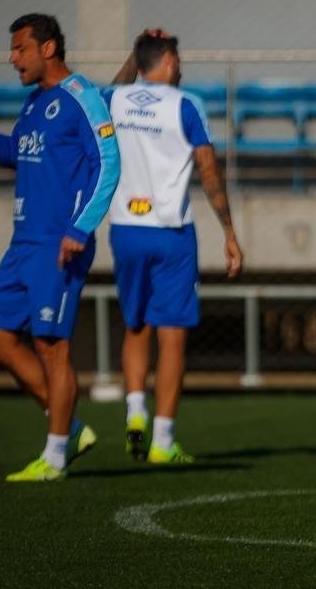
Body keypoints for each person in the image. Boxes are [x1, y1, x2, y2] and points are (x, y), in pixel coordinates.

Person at [0, 13, 120, 481]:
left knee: (51, 348)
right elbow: (12, 154)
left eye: (20, 48)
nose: (11, 58)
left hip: (60, 244)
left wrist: (79, 229)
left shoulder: (81, 97)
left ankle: (56, 456)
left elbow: (108, 163)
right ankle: (71, 426)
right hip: (22, 244)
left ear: (47, 49)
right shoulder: (33, 104)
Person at [106, 32, 244, 465]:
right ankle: (164, 439)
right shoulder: (185, 105)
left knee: (134, 325)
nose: (181, 65)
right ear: (166, 60)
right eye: (177, 57)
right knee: (172, 335)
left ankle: (134, 411)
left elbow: (115, 87)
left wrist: (138, 49)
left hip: (125, 227)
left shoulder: (114, 98)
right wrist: (228, 230)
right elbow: (207, 170)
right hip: (171, 231)